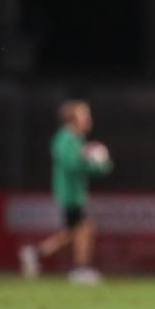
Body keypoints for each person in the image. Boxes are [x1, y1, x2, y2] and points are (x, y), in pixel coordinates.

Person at [18, 100, 112, 283]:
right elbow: (71, 164)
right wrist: (91, 161)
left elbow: (87, 166)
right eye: (84, 114)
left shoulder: (76, 139)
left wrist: (101, 165)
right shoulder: (66, 138)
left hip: (75, 192)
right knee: (84, 228)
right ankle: (80, 270)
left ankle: (35, 253)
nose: (88, 118)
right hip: (69, 193)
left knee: (74, 231)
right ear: (72, 118)